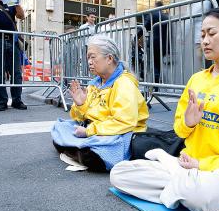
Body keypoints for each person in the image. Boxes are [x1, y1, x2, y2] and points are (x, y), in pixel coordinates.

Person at [110, 8, 219, 211]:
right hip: (185, 167)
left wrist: (203, 165)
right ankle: (179, 190)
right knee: (119, 173)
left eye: (212, 34)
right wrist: (189, 123)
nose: (205, 41)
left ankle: (180, 189)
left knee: (196, 194)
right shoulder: (197, 79)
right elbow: (180, 131)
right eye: (202, 35)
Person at [51, 35, 149, 171]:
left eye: (93, 57)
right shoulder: (94, 83)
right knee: (59, 127)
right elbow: (78, 118)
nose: (89, 62)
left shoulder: (124, 83)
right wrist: (80, 105)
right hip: (96, 130)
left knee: (91, 152)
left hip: (120, 133)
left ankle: (81, 149)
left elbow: (124, 122)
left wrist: (89, 131)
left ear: (109, 58)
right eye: (88, 58)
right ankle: (80, 148)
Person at [136, 1, 169, 83]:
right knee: (159, 64)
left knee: (154, 64)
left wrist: (136, 37)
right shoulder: (166, 17)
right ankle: (157, 85)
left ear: (155, 6)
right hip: (165, 44)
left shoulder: (153, 14)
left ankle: (155, 86)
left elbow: (144, 27)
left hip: (155, 44)